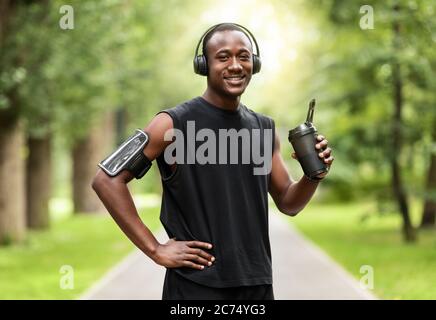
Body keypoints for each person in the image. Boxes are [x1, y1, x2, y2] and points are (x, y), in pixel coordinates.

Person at [92, 23, 334, 300]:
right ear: (203, 65)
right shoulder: (171, 124)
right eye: (223, 57)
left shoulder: (264, 129)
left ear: (254, 64)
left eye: (243, 56)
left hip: (256, 284)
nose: (235, 65)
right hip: (195, 287)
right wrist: (155, 249)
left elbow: (289, 203)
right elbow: (106, 180)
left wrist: (313, 175)